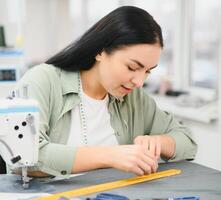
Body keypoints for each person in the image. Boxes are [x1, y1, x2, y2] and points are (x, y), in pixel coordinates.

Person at [14, 6, 197, 178]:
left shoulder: (134, 97)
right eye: (132, 67)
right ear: (100, 51)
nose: (139, 82)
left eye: (148, 71)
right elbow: (21, 157)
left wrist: (159, 142)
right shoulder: (43, 81)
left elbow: (188, 142)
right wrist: (109, 156)